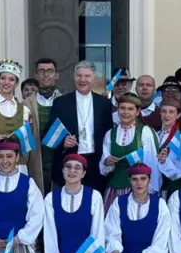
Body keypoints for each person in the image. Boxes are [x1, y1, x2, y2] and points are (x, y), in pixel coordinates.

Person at [38, 155, 116, 253]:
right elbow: (50, 234)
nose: (72, 170)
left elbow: (97, 233)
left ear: (83, 173)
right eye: (68, 167)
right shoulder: (51, 198)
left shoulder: (94, 196)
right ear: (63, 171)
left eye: (77, 168)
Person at [105, 164, 172, 253]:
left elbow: (162, 235)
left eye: (143, 179)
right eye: (135, 179)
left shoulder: (160, 204)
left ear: (149, 181)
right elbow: (112, 230)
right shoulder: (119, 202)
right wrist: (115, 248)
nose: (139, 183)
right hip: (125, 252)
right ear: (129, 181)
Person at [47, 61, 115, 192]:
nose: (82, 79)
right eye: (79, 76)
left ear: (94, 79)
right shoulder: (60, 103)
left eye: (87, 76)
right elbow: (49, 134)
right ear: (74, 77)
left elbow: (108, 133)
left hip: (95, 163)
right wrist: (63, 142)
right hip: (70, 161)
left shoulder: (104, 103)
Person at [99, 93, 161, 209]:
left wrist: (152, 191)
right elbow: (103, 168)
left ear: (137, 112)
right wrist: (107, 162)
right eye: (122, 108)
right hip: (114, 188)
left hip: (140, 189)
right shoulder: (110, 134)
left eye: (130, 109)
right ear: (117, 110)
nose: (125, 112)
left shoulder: (145, 132)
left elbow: (153, 163)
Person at [23, 57, 62, 193]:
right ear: (36, 75)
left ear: (56, 75)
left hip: (58, 161)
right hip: (35, 161)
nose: (46, 75)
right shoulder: (26, 104)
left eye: (50, 71)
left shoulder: (65, 102)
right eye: (41, 71)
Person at [154, 98, 181, 198]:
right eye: (164, 111)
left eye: (171, 112)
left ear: (178, 115)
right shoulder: (156, 134)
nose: (166, 115)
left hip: (171, 187)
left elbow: (180, 170)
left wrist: (165, 161)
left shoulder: (180, 138)